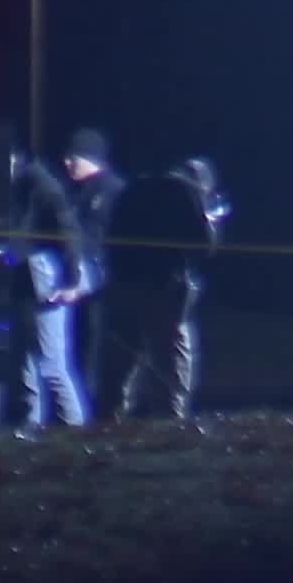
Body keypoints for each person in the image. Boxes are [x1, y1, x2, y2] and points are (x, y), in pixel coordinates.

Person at [103, 155, 231, 420]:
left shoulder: (133, 188)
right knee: (170, 359)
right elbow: (203, 244)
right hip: (164, 286)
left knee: (120, 360)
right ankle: (169, 424)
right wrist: (211, 219)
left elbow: (109, 236)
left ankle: (107, 421)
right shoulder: (186, 192)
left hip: (123, 283)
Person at [0, 137, 90, 428]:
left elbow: (69, 233)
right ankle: (30, 425)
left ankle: (74, 428)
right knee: (24, 362)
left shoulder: (41, 186)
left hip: (46, 285)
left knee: (51, 364)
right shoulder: (23, 186)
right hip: (27, 284)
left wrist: (72, 281)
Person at [58, 128, 126, 407]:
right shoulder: (74, 191)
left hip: (101, 290)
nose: (66, 162)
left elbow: (104, 246)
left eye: (73, 157)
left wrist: (84, 283)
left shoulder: (113, 191)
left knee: (93, 356)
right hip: (76, 287)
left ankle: (92, 415)